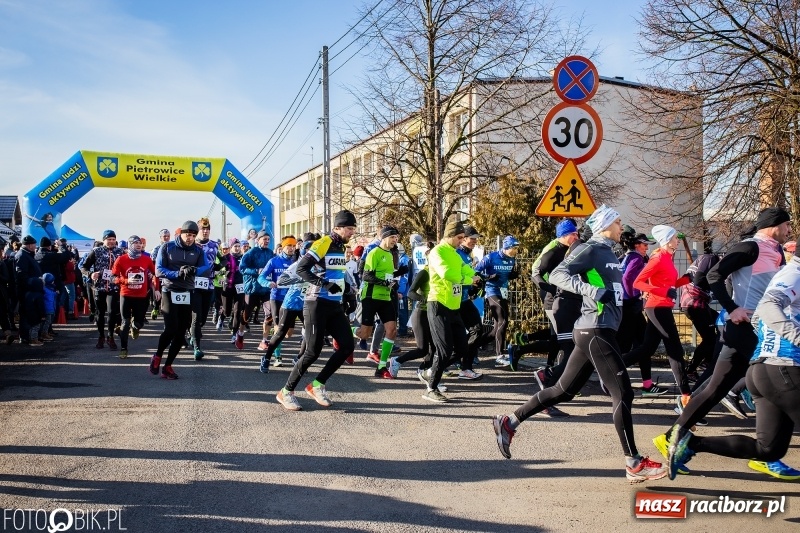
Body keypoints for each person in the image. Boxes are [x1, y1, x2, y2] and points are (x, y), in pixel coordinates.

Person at [492, 205, 667, 482]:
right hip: (594, 329)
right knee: (623, 394)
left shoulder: (610, 252)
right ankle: (633, 463)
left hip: (595, 330)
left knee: (563, 390)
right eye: (618, 222)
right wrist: (593, 291)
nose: (622, 226)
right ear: (605, 225)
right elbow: (559, 275)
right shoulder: (591, 248)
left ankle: (509, 421)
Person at [662, 207, 792, 479]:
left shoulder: (776, 251)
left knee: (715, 387)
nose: (790, 230)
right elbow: (712, 276)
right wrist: (732, 308)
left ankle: (673, 436)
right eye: (787, 225)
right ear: (774, 225)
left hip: (754, 328)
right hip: (747, 327)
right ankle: (767, 455)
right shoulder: (749, 248)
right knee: (772, 382)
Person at [276, 210, 357, 411]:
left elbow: (337, 274)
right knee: (312, 352)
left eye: (354, 229)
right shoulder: (323, 243)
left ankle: (317, 385)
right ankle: (286, 392)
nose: (352, 232)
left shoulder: (340, 246)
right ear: (337, 227)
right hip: (316, 303)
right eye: (349, 228)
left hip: (334, 305)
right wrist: (325, 285)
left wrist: (347, 295)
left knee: (347, 346)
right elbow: (303, 269)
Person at [621, 225, 691, 398]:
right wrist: (662, 291)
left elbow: (669, 284)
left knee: (647, 348)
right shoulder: (658, 258)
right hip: (657, 306)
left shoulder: (668, 257)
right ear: (667, 241)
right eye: (675, 238)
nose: (678, 240)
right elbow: (638, 282)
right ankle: (686, 395)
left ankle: (614, 365)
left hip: (661, 305)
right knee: (675, 349)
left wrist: (687, 280)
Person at [423, 220, 481, 402]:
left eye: (463, 238)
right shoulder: (437, 252)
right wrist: (468, 280)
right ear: (449, 236)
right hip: (438, 304)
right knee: (444, 349)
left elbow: (465, 268)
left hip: (454, 306)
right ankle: (431, 388)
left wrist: (477, 276)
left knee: (462, 348)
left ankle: (431, 371)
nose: (461, 241)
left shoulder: (455, 254)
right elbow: (446, 273)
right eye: (459, 237)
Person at [151, 221, 209, 380]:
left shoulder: (198, 250)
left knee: (181, 331)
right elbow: (158, 270)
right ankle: (157, 355)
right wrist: (177, 273)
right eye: (187, 235)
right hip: (169, 290)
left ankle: (168, 366)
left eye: (192, 235)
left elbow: (207, 266)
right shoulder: (167, 247)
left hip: (187, 292)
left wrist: (195, 269)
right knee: (171, 328)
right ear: (180, 234)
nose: (189, 238)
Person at [354, 226, 407, 378]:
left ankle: (382, 367)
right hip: (370, 296)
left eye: (396, 238)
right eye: (392, 238)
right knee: (365, 334)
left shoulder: (390, 254)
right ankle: (345, 331)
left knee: (392, 330)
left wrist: (399, 272)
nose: (395, 241)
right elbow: (366, 276)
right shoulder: (374, 252)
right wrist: (385, 283)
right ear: (384, 238)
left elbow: (386, 275)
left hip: (385, 297)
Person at [530, 219, 580, 368]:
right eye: (573, 234)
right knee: (564, 339)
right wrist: (553, 290)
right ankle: (558, 374)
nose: (576, 237)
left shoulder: (574, 249)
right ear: (563, 235)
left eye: (577, 233)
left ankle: (551, 368)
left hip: (570, 300)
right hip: (553, 300)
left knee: (560, 337)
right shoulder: (553, 251)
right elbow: (535, 274)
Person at [112, 235, 159, 359]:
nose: (138, 245)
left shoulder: (146, 259)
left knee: (139, 322)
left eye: (140, 243)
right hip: (126, 295)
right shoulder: (121, 259)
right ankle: (123, 348)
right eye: (135, 243)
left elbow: (155, 274)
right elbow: (113, 278)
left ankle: (135, 326)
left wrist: (155, 286)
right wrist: (126, 280)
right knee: (125, 322)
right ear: (129, 245)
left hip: (142, 296)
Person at [475, 235, 520, 366]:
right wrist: (488, 277)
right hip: (491, 291)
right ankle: (499, 355)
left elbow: (507, 275)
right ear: (506, 247)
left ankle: (471, 347)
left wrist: (512, 276)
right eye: (513, 248)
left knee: (497, 328)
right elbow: (475, 271)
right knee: (503, 321)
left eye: (517, 248)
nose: (515, 251)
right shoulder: (491, 257)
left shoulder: (512, 259)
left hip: (503, 292)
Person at [680, 244, 721, 381]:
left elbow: (687, 278)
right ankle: (691, 370)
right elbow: (698, 280)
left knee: (720, 323)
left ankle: (708, 361)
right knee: (710, 339)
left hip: (696, 303)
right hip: (695, 304)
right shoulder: (711, 258)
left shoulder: (707, 261)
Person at [257, 236, 297, 372]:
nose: (291, 248)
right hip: (277, 298)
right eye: (289, 246)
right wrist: (268, 283)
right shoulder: (274, 261)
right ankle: (277, 356)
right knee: (279, 328)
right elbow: (261, 277)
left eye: (293, 246)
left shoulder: (297, 262)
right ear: (283, 247)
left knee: (289, 333)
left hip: (291, 300)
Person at [81, 230, 124, 350]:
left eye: (113, 239)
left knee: (112, 312)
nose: (111, 242)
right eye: (109, 239)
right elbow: (83, 267)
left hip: (113, 287)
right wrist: (90, 274)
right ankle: (101, 336)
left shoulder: (120, 252)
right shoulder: (96, 251)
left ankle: (110, 337)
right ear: (104, 240)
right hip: (99, 286)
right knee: (100, 314)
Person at [189, 217, 219, 360]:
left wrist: (220, 267)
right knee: (196, 317)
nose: (205, 231)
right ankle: (197, 347)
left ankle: (193, 334)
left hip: (209, 285)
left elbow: (221, 259)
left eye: (207, 229)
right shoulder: (192, 245)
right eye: (203, 229)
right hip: (194, 285)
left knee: (202, 319)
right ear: (198, 231)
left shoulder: (214, 245)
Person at [239, 230, 274, 349]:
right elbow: (242, 268)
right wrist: (256, 271)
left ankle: (264, 340)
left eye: (268, 239)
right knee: (247, 314)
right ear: (258, 240)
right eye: (264, 239)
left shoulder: (270, 253)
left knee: (270, 313)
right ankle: (240, 333)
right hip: (253, 288)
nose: (267, 241)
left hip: (266, 288)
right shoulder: (251, 252)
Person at [15, 235, 43, 344]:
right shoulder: (22, 256)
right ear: (29, 245)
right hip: (27, 292)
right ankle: (26, 337)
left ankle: (28, 336)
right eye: (34, 244)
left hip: (32, 290)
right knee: (28, 315)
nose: (35, 246)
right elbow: (21, 277)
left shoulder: (28, 255)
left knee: (31, 314)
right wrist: (37, 281)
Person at [40, 273, 58, 342]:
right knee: (47, 322)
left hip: (50, 308)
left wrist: (55, 293)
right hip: (48, 308)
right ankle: (44, 333)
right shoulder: (46, 289)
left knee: (48, 322)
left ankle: (45, 333)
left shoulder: (48, 288)